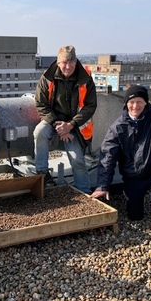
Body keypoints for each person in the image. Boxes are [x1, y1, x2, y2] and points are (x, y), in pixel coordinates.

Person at [91, 85, 151, 229]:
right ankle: (137, 195)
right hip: (133, 175)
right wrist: (103, 185)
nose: (135, 106)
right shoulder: (118, 127)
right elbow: (107, 156)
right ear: (126, 104)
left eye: (139, 101)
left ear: (146, 102)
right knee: (135, 216)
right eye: (131, 102)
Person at [33, 45, 97, 194]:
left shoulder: (85, 79)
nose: (68, 66)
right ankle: (42, 173)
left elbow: (90, 106)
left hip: (74, 125)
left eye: (71, 62)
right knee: (39, 132)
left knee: (77, 160)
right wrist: (59, 127)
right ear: (58, 62)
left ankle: (85, 192)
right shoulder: (47, 78)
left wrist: (71, 125)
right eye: (64, 62)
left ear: (76, 61)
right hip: (53, 121)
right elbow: (40, 103)